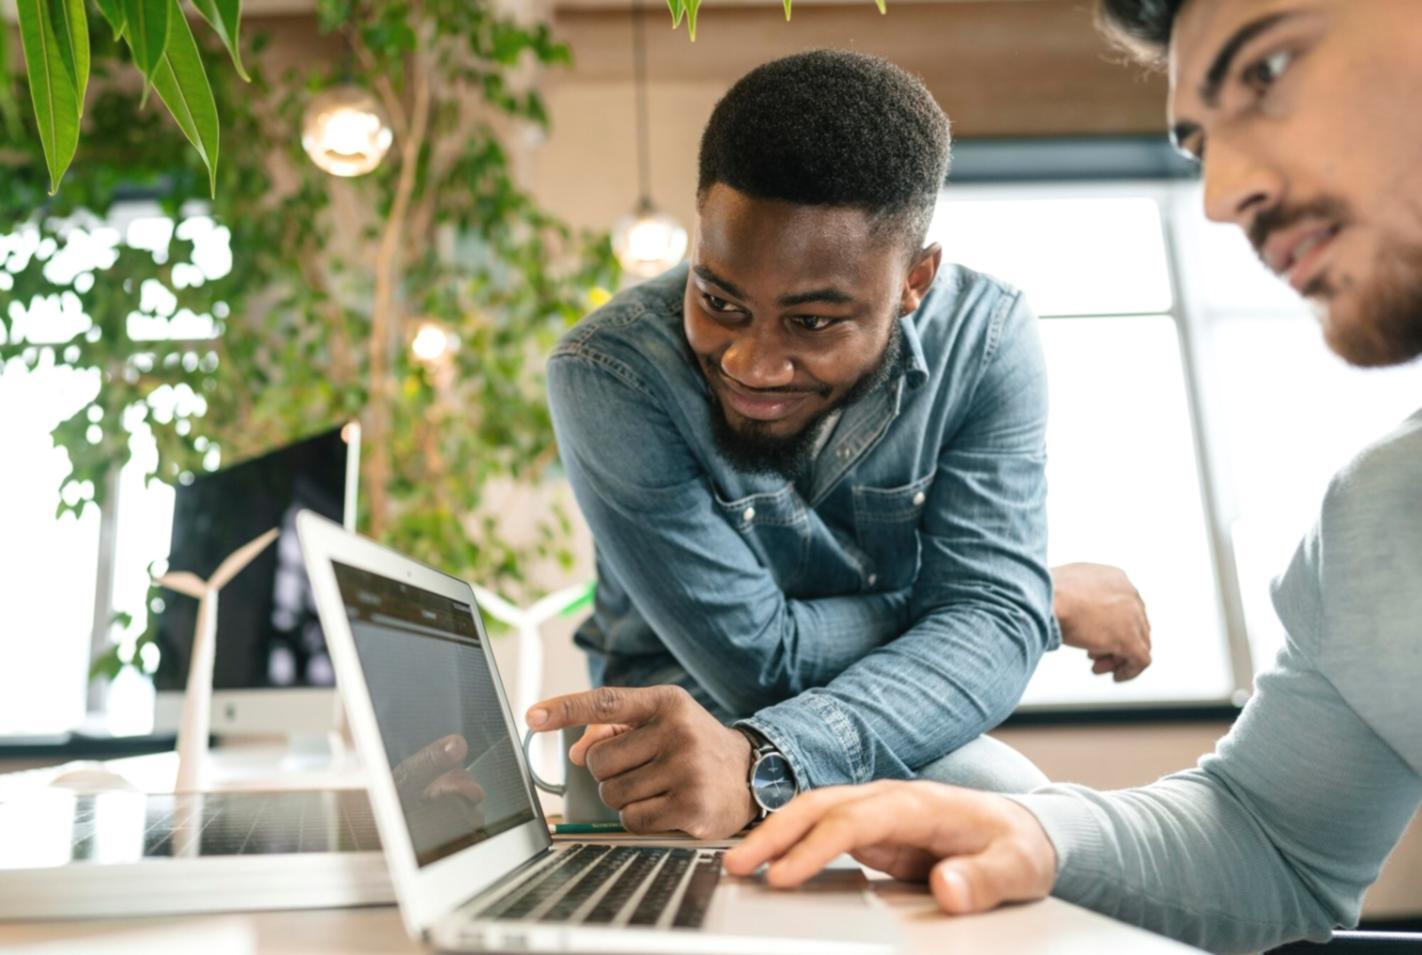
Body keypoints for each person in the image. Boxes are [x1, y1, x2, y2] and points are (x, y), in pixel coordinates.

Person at [723, 3, 1422, 953]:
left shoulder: (989, 337)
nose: (1220, 194)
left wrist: (1020, 604)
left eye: (1267, 70)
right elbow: (1272, 841)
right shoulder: (1379, 514)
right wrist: (1033, 831)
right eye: (1197, 142)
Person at [528, 49, 1151, 842]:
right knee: (1000, 800)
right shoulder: (611, 372)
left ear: (914, 280)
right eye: (718, 298)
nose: (750, 363)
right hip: (672, 740)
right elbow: (761, 663)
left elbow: (987, 617)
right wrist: (1037, 602)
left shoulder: (984, 341)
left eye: (813, 322)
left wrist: (1000, 612)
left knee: (1019, 817)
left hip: (871, 710)